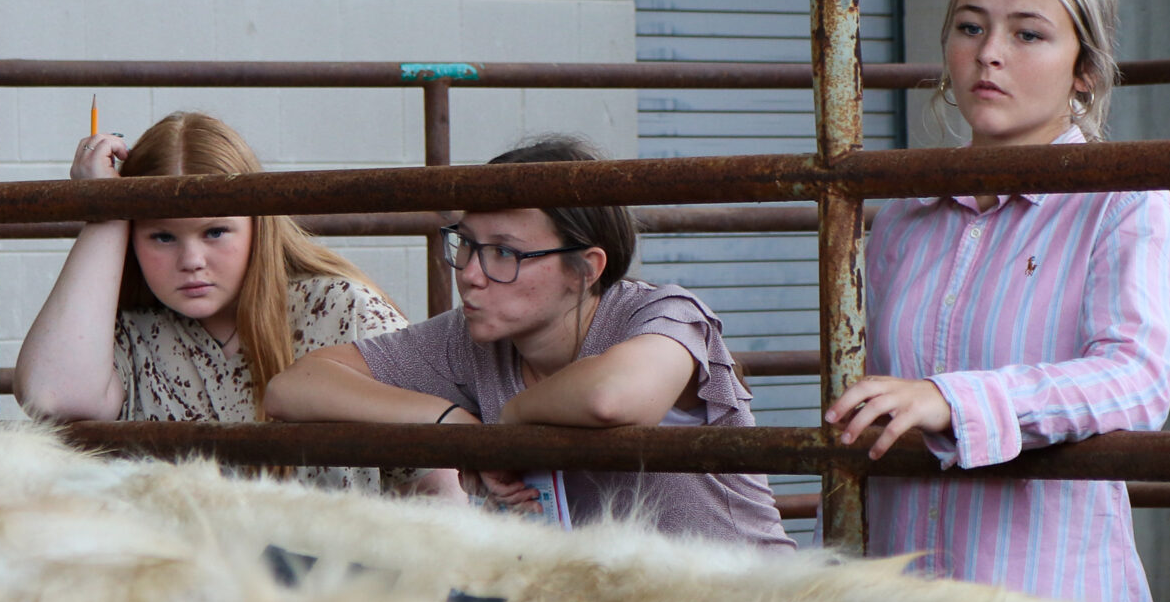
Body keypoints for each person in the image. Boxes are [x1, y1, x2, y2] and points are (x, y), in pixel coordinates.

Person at [824, 0, 1170, 602]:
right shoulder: (904, 218)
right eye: (970, 27)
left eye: (1028, 34)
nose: (989, 52)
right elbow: (866, 411)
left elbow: (1137, 379)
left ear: (1085, 69)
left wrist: (954, 400)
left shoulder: (1123, 204)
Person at [263, 134, 792, 548]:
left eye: (505, 253)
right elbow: (293, 387)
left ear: (585, 269)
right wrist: (453, 426)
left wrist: (509, 423)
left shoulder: (662, 314)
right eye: (466, 245)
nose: (470, 275)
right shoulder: (471, 337)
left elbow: (612, 398)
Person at [12, 111, 453, 497]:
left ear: (257, 225)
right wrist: (106, 212)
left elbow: (439, 483)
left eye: (215, 232)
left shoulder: (340, 310)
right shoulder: (126, 333)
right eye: (162, 236)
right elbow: (53, 397)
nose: (191, 260)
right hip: (179, 566)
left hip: (328, 564)